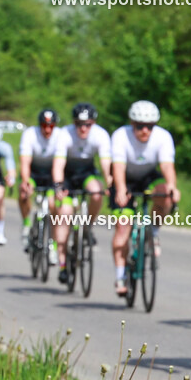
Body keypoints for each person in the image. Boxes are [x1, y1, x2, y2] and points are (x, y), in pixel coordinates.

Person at [109, 100, 180, 296]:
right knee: (123, 227)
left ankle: (154, 232)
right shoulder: (120, 136)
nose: (145, 131)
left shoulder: (163, 137)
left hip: (148, 176)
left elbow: (166, 165)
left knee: (165, 193)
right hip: (126, 179)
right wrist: (121, 189)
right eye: (140, 126)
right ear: (132, 123)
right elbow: (118, 166)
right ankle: (120, 275)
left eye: (150, 126)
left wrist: (172, 186)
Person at [51, 103, 112, 285]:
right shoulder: (64, 134)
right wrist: (58, 185)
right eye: (79, 124)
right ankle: (62, 264)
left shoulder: (100, 135)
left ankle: (88, 227)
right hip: (68, 176)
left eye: (87, 124)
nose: (83, 128)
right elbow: (58, 164)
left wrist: (111, 184)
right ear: (74, 123)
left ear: (93, 123)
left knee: (96, 193)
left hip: (87, 173)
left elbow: (105, 163)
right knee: (64, 215)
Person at [19, 108, 64, 246]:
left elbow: (59, 164)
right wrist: (26, 181)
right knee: (24, 193)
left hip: (52, 174)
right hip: (34, 172)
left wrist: (58, 186)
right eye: (44, 126)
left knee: (54, 205)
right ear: (40, 125)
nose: (48, 130)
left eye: (51, 126)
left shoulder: (60, 135)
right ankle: (27, 224)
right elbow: (25, 161)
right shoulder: (30, 134)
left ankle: (53, 244)